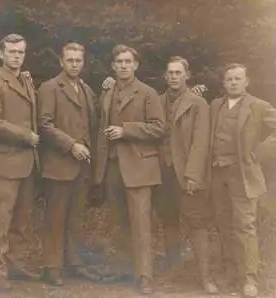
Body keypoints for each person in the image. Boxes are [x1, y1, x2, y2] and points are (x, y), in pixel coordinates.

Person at [209, 63, 276, 297]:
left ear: (247, 82)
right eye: (229, 79)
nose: (233, 83)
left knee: (245, 227)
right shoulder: (216, 105)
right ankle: (230, 273)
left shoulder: (258, 106)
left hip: (243, 175)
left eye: (238, 79)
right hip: (217, 175)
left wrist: (258, 154)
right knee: (223, 225)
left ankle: (250, 278)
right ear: (223, 83)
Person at [92, 44, 167, 295]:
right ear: (113, 66)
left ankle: (145, 276)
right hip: (112, 166)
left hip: (139, 167)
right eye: (119, 62)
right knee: (120, 222)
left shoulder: (147, 93)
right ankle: (126, 270)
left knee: (141, 225)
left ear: (136, 65)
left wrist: (126, 130)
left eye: (128, 62)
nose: (123, 66)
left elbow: (159, 128)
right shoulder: (108, 91)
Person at [37, 42, 101, 286]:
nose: (74, 64)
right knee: (55, 217)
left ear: (83, 63)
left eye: (78, 60)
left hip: (82, 166)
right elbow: (44, 125)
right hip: (59, 164)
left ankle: (74, 263)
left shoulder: (86, 89)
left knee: (75, 217)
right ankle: (51, 266)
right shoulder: (50, 87)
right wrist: (71, 145)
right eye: (70, 60)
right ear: (61, 62)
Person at [154, 56, 218, 294]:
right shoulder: (157, 101)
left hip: (188, 174)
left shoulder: (198, 103)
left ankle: (205, 278)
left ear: (187, 75)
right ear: (165, 76)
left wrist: (193, 175)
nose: (173, 77)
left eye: (178, 73)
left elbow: (201, 143)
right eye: (170, 73)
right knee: (169, 223)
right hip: (164, 174)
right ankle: (173, 274)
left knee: (197, 225)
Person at [0, 33, 39, 292]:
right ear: (1, 54)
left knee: (22, 219)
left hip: (26, 161)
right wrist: (25, 135)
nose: (16, 56)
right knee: (1, 218)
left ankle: (14, 264)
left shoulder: (25, 80)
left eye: (21, 52)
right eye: (12, 52)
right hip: (5, 160)